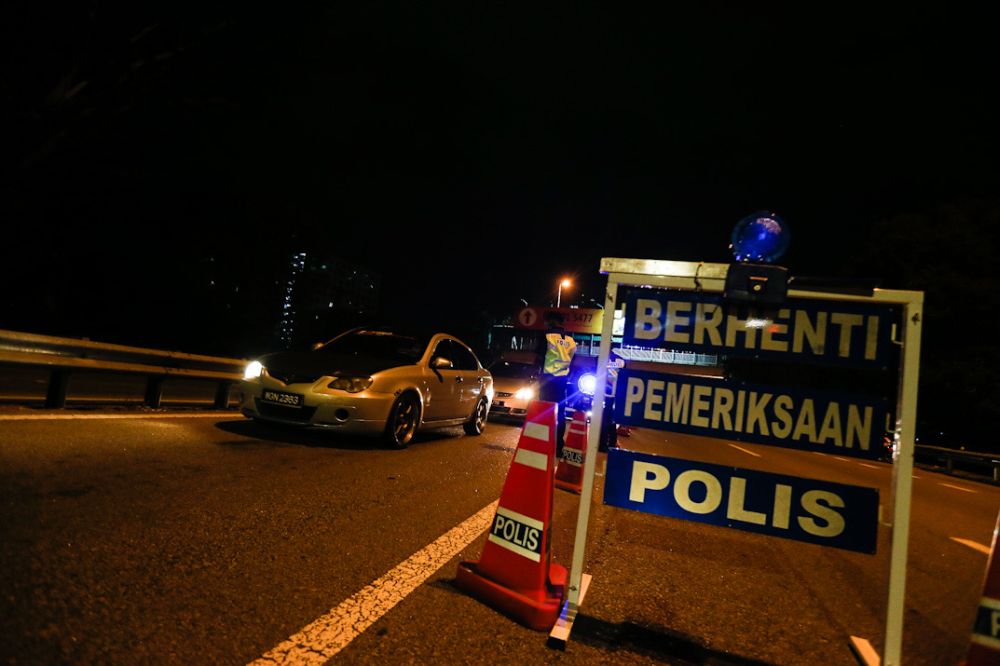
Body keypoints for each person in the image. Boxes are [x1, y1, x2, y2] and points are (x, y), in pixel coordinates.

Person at [538, 311, 576, 455]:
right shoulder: (571, 340)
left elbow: (540, 358)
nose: (546, 323)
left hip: (547, 380)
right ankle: (558, 446)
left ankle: (544, 445)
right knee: (560, 414)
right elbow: (573, 361)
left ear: (553, 321)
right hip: (562, 381)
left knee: (545, 412)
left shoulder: (547, 336)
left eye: (547, 321)